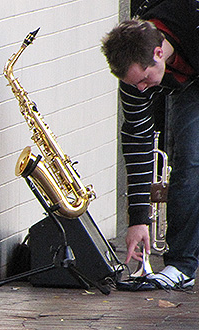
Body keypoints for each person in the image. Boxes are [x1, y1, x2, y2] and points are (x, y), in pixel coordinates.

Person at [101, 0, 199, 289]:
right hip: (187, 76)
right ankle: (181, 266)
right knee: (188, 158)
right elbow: (138, 140)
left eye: (144, 79)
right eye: (135, 84)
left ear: (159, 53)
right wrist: (138, 220)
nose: (141, 88)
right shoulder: (135, 78)